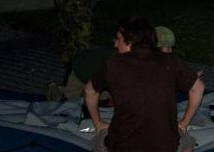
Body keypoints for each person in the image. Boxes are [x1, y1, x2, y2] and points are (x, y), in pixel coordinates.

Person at [84, 17, 205, 152]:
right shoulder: (170, 61)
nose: (115, 44)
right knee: (190, 144)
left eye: (118, 39)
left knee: (97, 144)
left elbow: (89, 91)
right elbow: (198, 88)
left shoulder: (113, 64)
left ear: (130, 42)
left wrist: (98, 123)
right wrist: (184, 123)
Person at [47, 25, 178, 101]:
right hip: (82, 67)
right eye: (167, 48)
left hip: (100, 74)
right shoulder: (128, 58)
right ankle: (55, 89)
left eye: (171, 47)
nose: (170, 51)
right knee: (68, 103)